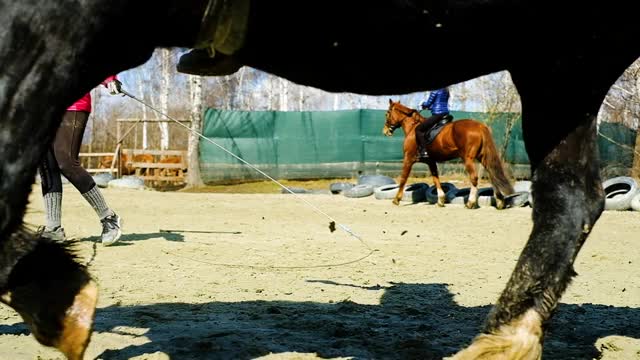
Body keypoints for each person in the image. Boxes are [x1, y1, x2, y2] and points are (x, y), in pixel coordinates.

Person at [38, 76, 124, 246]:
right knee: (47, 167)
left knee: (66, 162)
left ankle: (109, 218)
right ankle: (53, 229)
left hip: (72, 103)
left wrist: (110, 79)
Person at [415, 87, 452, 159]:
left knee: (418, 129)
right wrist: (429, 107)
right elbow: (438, 103)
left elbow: (428, 103)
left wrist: (423, 104)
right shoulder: (446, 90)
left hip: (437, 114)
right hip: (445, 113)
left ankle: (424, 151)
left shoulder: (435, 90)